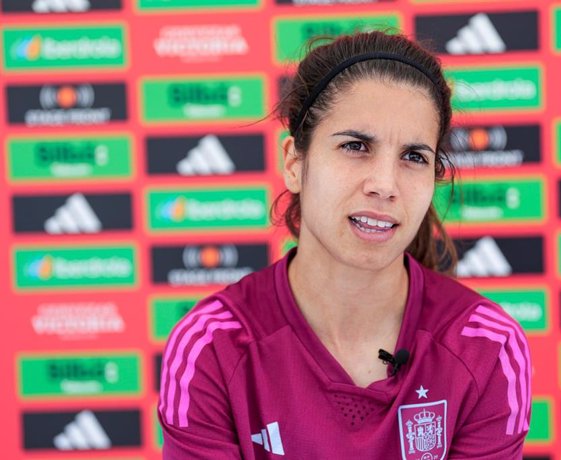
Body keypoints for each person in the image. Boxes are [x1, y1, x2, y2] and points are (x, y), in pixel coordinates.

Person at [158, 31, 531, 459]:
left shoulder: (486, 346)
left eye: (413, 157)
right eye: (355, 146)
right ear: (295, 164)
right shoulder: (212, 346)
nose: (385, 185)